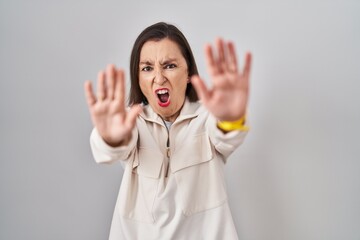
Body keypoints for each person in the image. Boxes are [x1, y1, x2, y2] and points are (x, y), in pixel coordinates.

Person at [84, 22, 252, 240]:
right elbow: (109, 149)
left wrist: (230, 118)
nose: (159, 77)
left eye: (169, 66)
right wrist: (110, 138)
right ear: (138, 79)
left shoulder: (207, 119)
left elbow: (226, 135)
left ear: (189, 71)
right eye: (147, 68)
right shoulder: (132, 122)